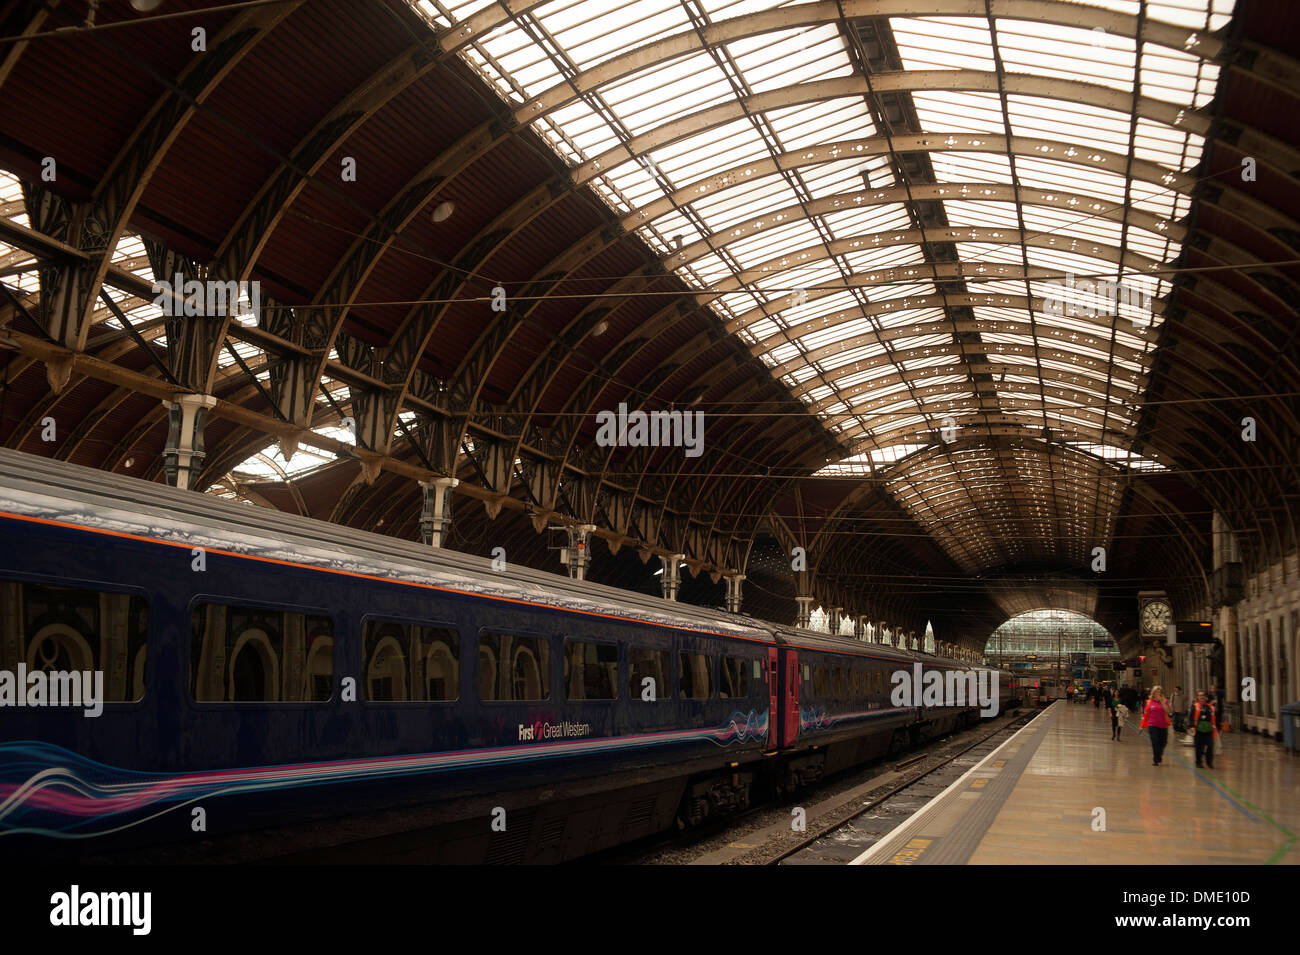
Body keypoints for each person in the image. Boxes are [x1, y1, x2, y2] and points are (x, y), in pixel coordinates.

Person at [1139, 686, 1172, 765]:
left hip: (1163, 725)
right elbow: (1145, 715)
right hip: (1152, 725)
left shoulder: (1165, 701)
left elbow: (1168, 711)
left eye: (1160, 692)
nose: (1158, 693)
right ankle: (1156, 759)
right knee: (1155, 742)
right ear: (1153, 693)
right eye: (1157, 692)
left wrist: (1162, 702)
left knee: (1163, 742)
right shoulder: (1149, 702)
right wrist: (1141, 726)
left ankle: (1159, 754)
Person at [1188, 690, 1219, 769]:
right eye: (1200, 695)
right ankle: (1199, 762)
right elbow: (1191, 717)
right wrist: (1191, 726)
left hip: (1208, 730)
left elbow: (1215, 718)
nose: (1201, 697)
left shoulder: (1210, 707)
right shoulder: (1195, 706)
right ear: (1197, 697)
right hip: (1198, 729)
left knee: (1210, 745)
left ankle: (1209, 762)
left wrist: (1217, 727)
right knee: (1199, 747)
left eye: (1203, 695)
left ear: (1205, 697)